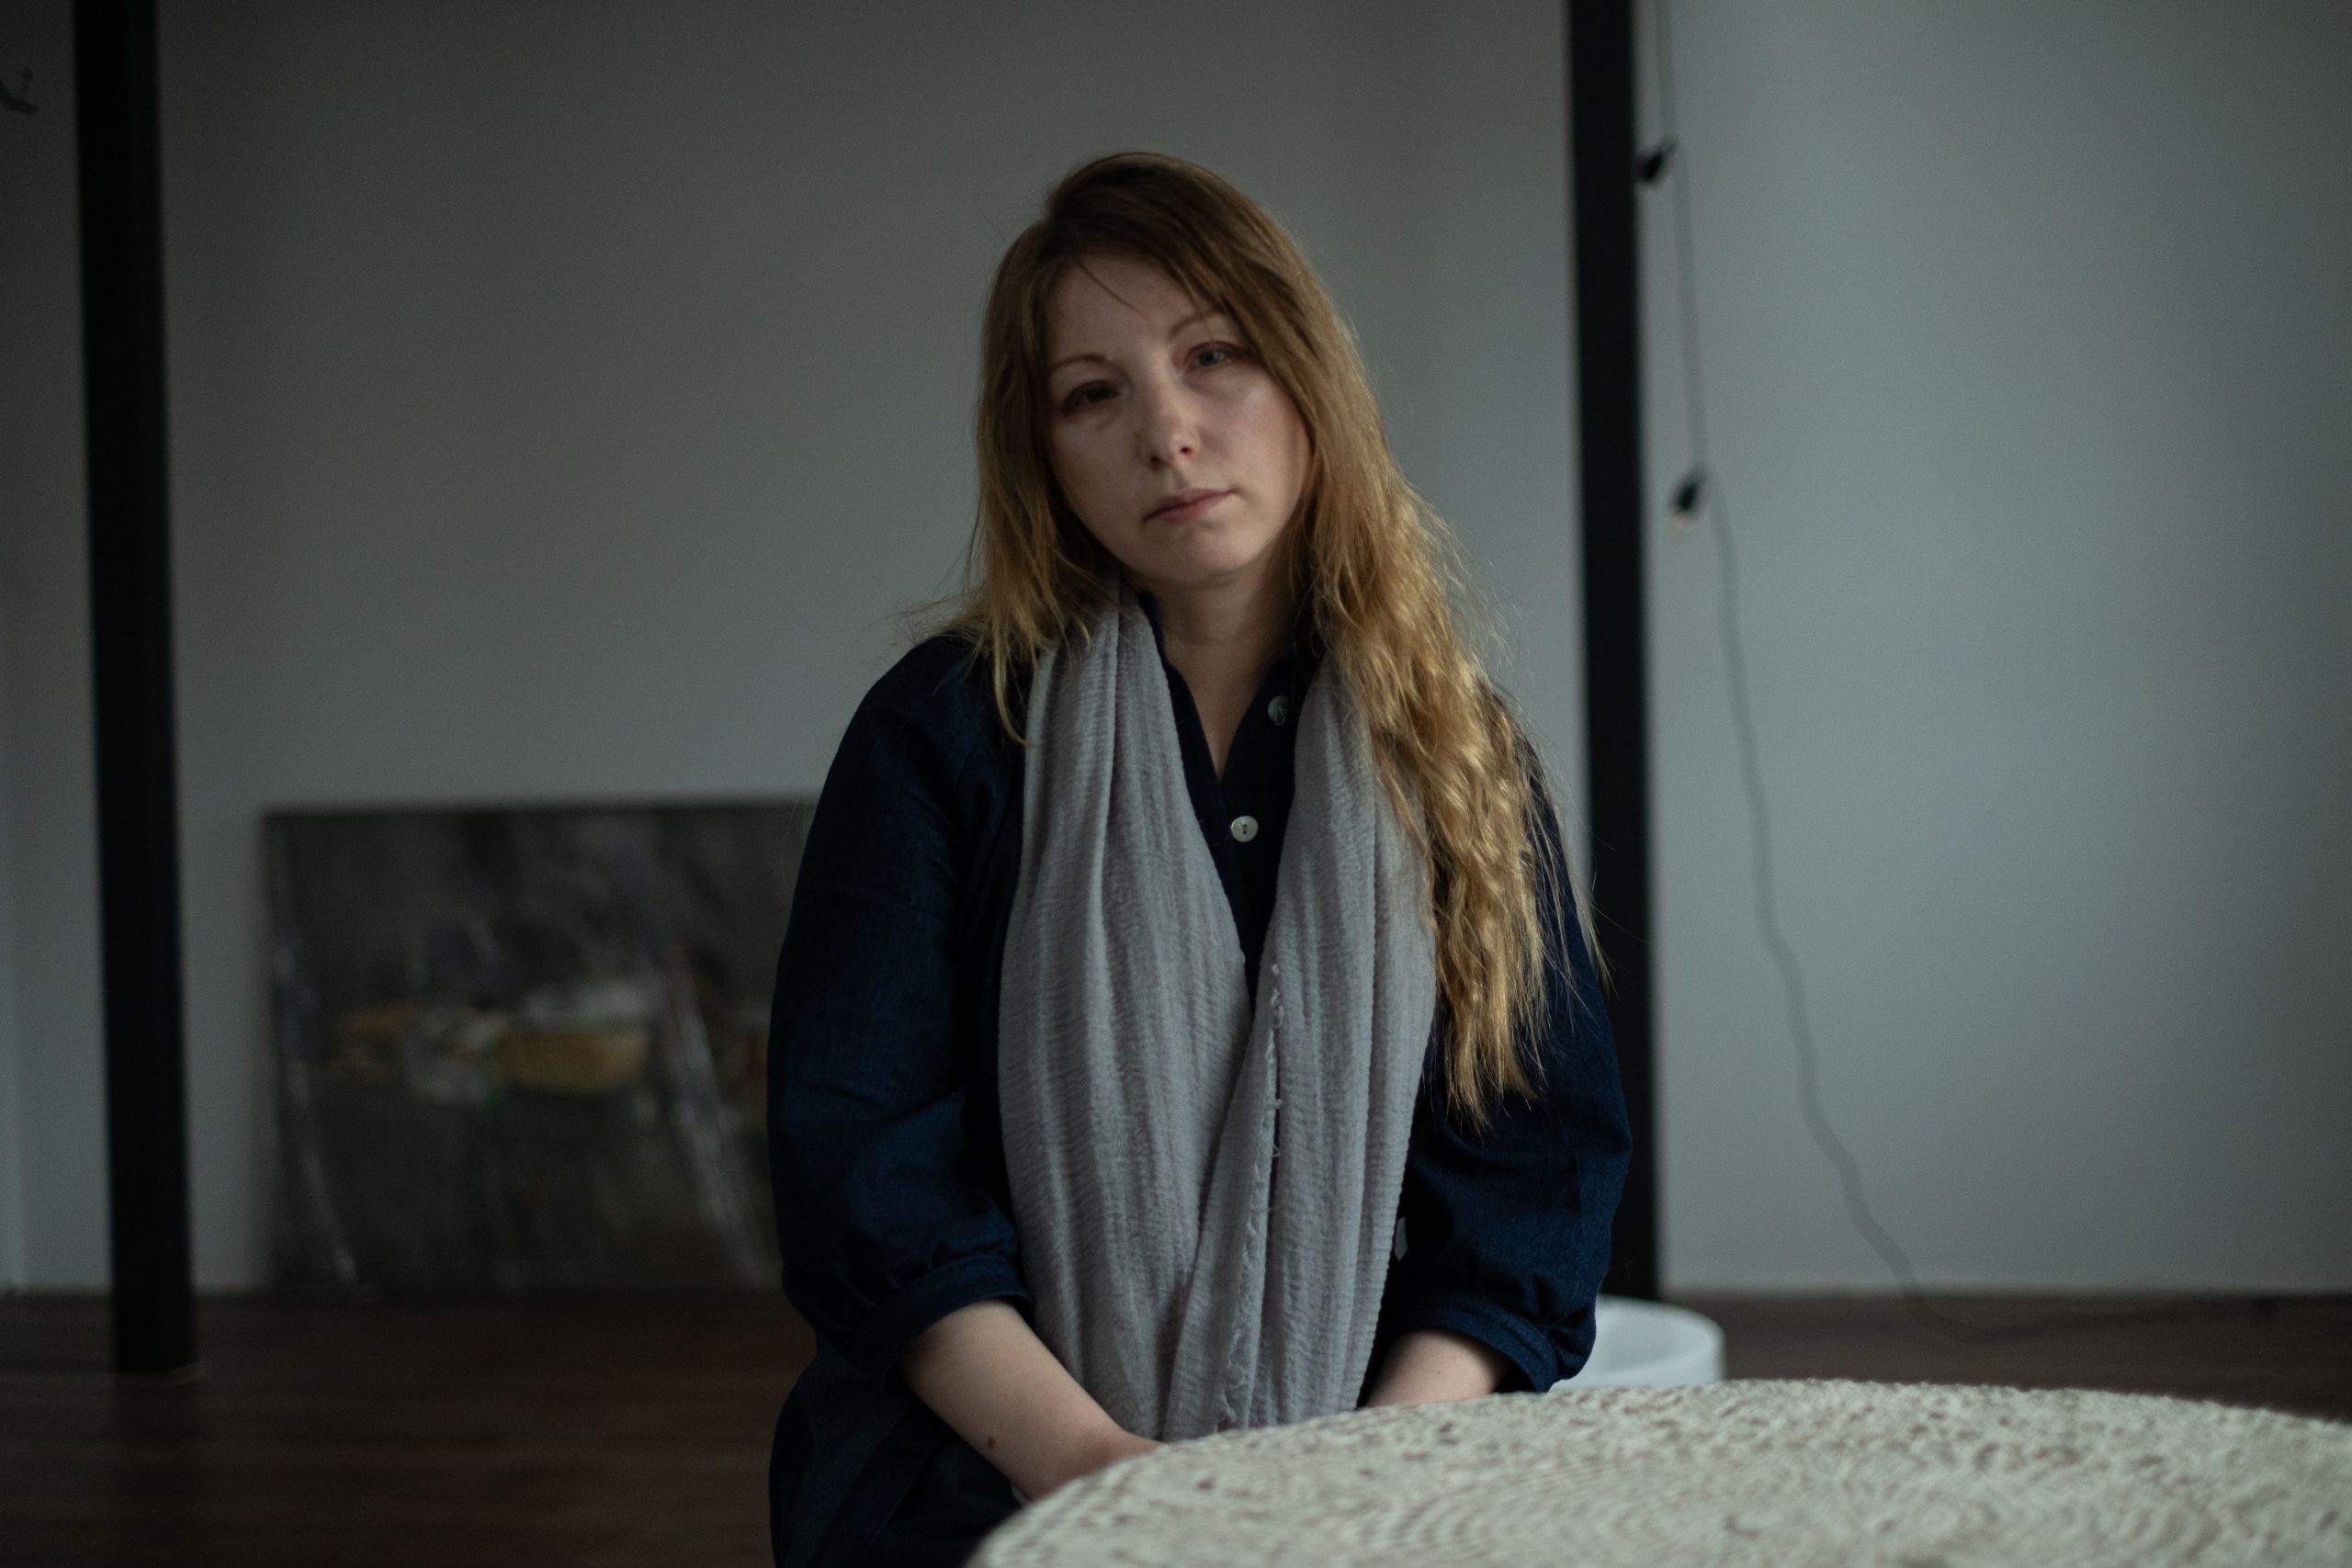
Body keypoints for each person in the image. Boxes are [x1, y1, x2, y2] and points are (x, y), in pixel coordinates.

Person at [765, 151, 1630, 1568]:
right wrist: (1111, 1478)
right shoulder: (946, 733)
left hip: (1379, 1479)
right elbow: (861, 1172)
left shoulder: (1453, 752)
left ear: (1306, 377)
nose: (1167, 432)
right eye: (1092, 394)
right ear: (1040, 448)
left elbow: (1534, 1182)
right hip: (990, 1477)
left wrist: (1354, 1485)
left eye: (1212, 356)